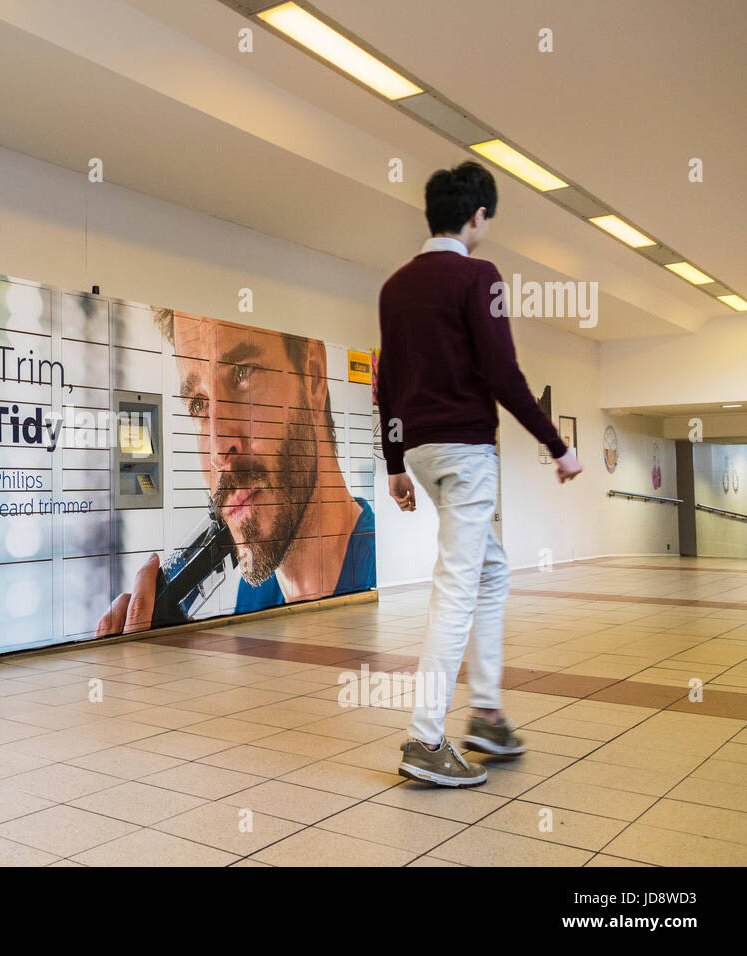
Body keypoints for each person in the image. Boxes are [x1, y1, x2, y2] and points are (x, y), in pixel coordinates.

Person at [378, 161, 582, 788]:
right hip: (466, 452)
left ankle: (488, 714)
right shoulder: (479, 276)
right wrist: (556, 444)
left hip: (422, 453)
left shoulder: (395, 287)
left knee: (490, 570)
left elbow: (386, 382)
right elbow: (502, 372)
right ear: (478, 216)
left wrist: (395, 464)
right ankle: (425, 737)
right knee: (459, 584)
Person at [96, 311, 374, 637]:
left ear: (312, 375)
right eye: (199, 404)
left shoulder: (385, 584)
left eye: (242, 373)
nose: (217, 451)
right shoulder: (255, 596)